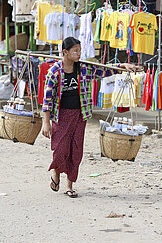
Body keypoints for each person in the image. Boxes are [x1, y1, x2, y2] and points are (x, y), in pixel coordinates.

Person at [42, 37, 141, 198]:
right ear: (65, 52)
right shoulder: (54, 71)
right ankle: (56, 172)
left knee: (76, 150)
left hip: (80, 114)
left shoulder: (84, 68)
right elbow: (47, 99)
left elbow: (105, 70)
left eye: (80, 50)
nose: (79, 54)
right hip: (61, 116)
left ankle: (69, 185)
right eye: (75, 51)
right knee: (60, 149)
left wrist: (123, 66)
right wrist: (46, 122)